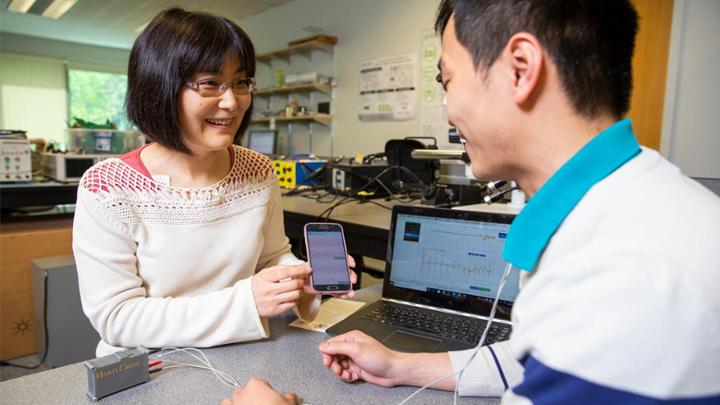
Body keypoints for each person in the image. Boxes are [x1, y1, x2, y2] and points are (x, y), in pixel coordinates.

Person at [223, 0, 720, 403]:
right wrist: (401, 365)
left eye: (448, 80)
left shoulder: (622, 270)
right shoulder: (603, 211)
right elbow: (526, 359)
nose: (447, 108)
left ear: (520, 69)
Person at [73, 7, 354, 357]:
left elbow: (272, 257)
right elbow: (117, 318)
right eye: (209, 84)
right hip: (152, 365)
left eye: (241, 82)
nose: (231, 101)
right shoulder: (108, 188)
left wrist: (300, 279)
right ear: (159, 87)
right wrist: (247, 302)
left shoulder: (258, 170)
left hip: (244, 352)